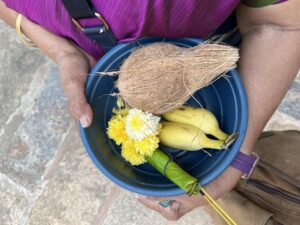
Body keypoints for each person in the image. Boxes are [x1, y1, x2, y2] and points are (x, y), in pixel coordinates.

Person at [0, 0, 299, 222]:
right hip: (127, 85)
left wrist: (236, 162)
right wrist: (61, 50)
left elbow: (281, 24)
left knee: (213, 162)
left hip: (212, 85)